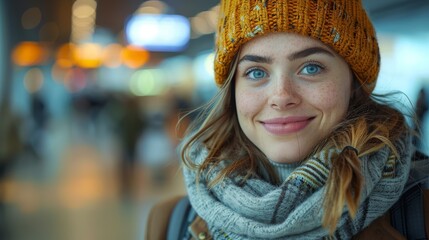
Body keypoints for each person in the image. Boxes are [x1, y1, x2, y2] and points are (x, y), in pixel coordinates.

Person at [176, 0, 417, 239]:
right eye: (256, 72)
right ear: (233, 90)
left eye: (311, 68)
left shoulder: (420, 210)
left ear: (353, 83)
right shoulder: (171, 223)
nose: (281, 97)